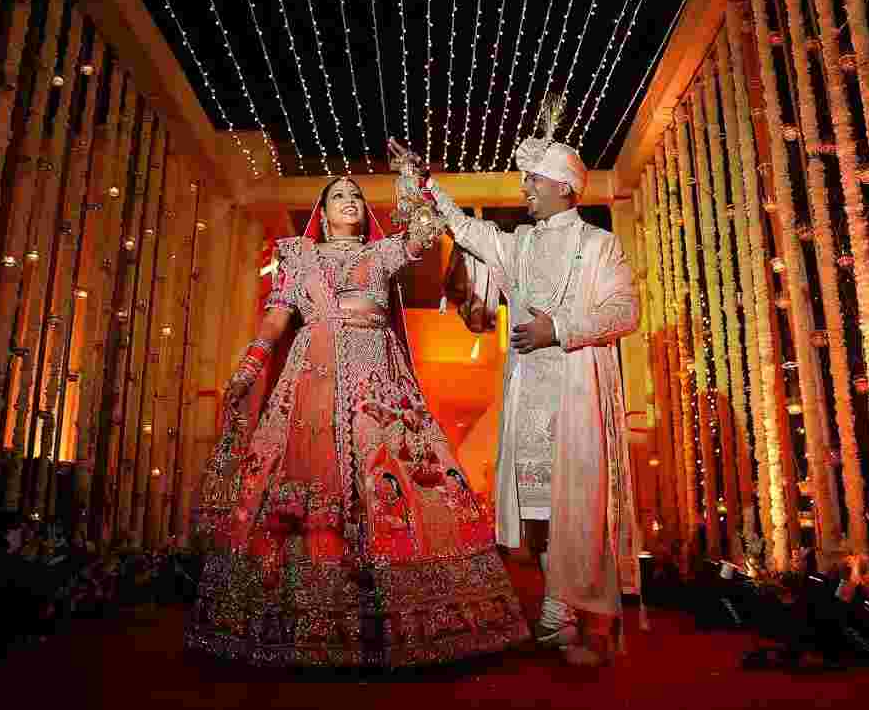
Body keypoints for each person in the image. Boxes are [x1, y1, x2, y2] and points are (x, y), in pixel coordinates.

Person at [187, 175, 528, 667]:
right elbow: (277, 317)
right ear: (322, 214)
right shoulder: (299, 258)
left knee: (390, 476)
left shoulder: (382, 253)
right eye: (338, 196)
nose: (349, 201)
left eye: (356, 196)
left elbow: (425, 230)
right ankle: (293, 617)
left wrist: (413, 182)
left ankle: (402, 617)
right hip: (311, 379)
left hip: (377, 384)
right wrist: (249, 366)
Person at [389, 127, 643, 668]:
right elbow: (463, 229)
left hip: (578, 392)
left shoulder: (600, 245)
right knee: (542, 513)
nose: (525, 188)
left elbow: (625, 312)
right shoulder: (520, 243)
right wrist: (427, 182)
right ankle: (558, 614)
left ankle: (567, 615)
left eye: (533, 180)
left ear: (564, 187)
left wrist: (560, 329)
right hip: (529, 397)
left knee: (581, 506)